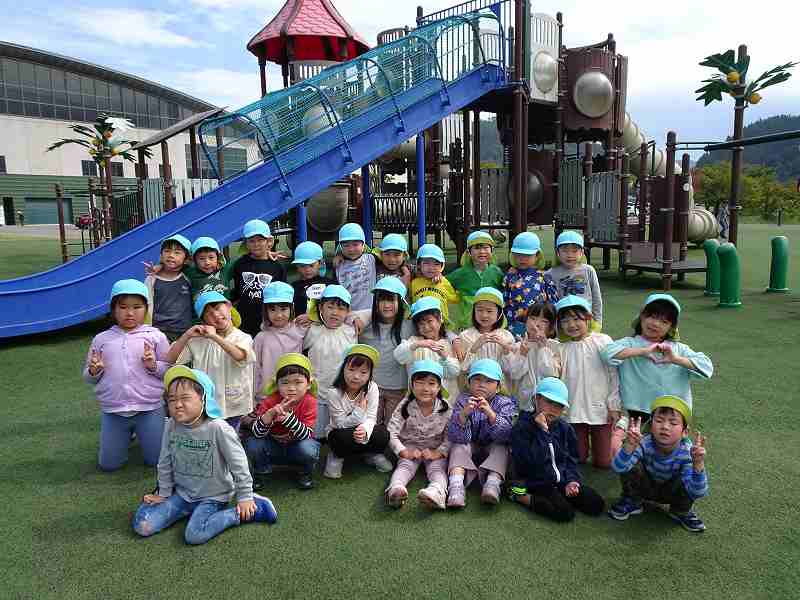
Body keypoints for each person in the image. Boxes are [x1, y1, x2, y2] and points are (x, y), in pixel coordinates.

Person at [132, 366, 277, 545]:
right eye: (172, 399)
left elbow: (239, 465)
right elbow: (165, 461)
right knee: (143, 526)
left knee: (194, 535)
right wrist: (163, 492)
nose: (177, 404)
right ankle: (180, 508)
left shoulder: (218, 428)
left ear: (204, 399)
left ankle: (254, 509)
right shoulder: (171, 425)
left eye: (185, 398)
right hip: (183, 493)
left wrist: (245, 496)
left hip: (213, 497)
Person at [601, 294, 713, 453]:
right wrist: (642, 351)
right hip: (636, 413)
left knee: (669, 455)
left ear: (671, 328)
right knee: (627, 452)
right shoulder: (630, 343)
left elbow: (707, 367)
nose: (655, 324)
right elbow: (606, 353)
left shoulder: (678, 348)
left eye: (664, 321)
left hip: (670, 416)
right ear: (642, 316)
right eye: (652, 317)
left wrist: (675, 359)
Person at [83, 279, 170, 471]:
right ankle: (128, 435)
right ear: (113, 309)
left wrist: (153, 366)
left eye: (137, 307)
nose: (130, 313)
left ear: (146, 309)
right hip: (114, 411)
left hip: (149, 408)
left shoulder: (156, 336)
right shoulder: (101, 339)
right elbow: (88, 377)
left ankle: (154, 429)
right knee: (108, 465)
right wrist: (94, 371)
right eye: (123, 307)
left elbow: (169, 371)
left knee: (156, 462)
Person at [509, 377, 605, 522]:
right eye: (549, 402)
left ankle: (561, 494)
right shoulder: (522, 428)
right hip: (536, 482)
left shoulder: (565, 428)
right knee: (565, 512)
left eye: (559, 405)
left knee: (595, 503)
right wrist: (543, 432)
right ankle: (519, 496)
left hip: (561, 481)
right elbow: (528, 463)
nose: (554, 409)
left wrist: (572, 481)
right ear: (536, 399)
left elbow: (572, 459)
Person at [608, 395, 708, 532]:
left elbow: (698, 492)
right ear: (651, 425)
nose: (665, 427)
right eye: (659, 421)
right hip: (645, 487)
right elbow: (618, 468)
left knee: (690, 475)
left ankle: (681, 510)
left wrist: (698, 464)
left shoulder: (687, 453)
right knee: (631, 459)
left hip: (672, 492)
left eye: (673, 423)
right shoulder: (644, 443)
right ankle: (632, 500)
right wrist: (629, 447)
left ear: (685, 432)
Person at [166, 291, 255, 430]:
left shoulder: (242, 337)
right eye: (208, 313)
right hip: (207, 405)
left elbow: (240, 355)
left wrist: (215, 337)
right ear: (204, 321)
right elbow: (171, 359)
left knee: (230, 438)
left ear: (229, 306)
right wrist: (187, 335)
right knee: (209, 438)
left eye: (218, 308)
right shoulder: (197, 340)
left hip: (234, 405)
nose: (215, 315)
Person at [554, 295, 621, 469]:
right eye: (565, 321)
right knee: (579, 458)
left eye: (576, 319)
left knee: (604, 462)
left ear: (588, 318)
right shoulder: (560, 348)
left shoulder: (602, 341)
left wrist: (614, 405)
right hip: (574, 409)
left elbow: (614, 374)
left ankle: (619, 433)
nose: (571, 325)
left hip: (601, 408)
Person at [242, 353, 320, 490]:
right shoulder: (270, 401)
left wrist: (288, 419)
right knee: (253, 444)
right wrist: (269, 415)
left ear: (308, 384)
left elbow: (306, 435)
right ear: (277, 385)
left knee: (309, 448)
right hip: (273, 446)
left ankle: (304, 471)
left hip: (297, 446)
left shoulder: (310, 401)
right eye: (285, 382)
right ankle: (261, 470)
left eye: (298, 382)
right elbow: (257, 433)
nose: (291, 388)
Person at [446, 359, 516, 507]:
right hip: (470, 443)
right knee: (458, 447)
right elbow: (454, 436)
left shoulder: (505, 402)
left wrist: (491, 415)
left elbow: (506, 436)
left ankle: (492, 483)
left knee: (501, 449)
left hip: (493, 444)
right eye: (477, 379)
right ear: (469, 382)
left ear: (498, 387)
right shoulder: (463, 399)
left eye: (489, 381)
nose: (482, 384)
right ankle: (456, 485)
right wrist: (463, 415)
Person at [303, 284, 370, 439]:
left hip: (342, 394)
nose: (335, 312)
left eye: (341, 308)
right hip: (317, 392)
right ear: (321, 307)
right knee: (317, 434)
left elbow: (371, 313)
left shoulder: (351, 331)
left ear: (348, 311)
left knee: (340, 431)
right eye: (330, 307)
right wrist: (309, 316)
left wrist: (354, 318)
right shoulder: (312, 330)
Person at [385, 360, 453, 510]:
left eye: (431, 383)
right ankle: (396, 489)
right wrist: (403, 451)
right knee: (404, 467)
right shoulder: (405, 405)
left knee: (437, 469)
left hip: (434, 448)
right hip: (410, 447)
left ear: (439, 387)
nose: (425, 388)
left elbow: (451, 436)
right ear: (412, 385)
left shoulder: (446, 408)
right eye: (420, 382)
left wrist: (439, 452)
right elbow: (391, 432)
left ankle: (437, 491)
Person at [324, 344, 392, 478]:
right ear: (343, 369)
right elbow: (340, 424)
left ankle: (371, 454)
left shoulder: (372, 388)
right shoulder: (333, 393)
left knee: (383, 434)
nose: (356, 376)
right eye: (351, 369)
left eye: (363, 372)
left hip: (362, 430)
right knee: (339, 438)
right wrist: (359, 411)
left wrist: (365, 430)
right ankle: (337, 456)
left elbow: (371, 417)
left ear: (370, 374)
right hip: (342, 432)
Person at [358, 277, 415, 425]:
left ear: (400, 302)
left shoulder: (409, 325)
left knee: (393, 427)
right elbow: (346, 318)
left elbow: (437, 327)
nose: (386, 305)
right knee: (370, 425)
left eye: (391, 300)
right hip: (371, 387)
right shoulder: (365, 325)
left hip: (398, 388)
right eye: (381, 300)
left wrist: (455, 339)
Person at [394, 296, 461, 401]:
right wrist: (418, 344)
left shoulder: (449, 343)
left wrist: (445, 357)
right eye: (421, 323)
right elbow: (399, 356)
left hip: (446, 402)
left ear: (440, 319)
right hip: (418, 401)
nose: (426, 327)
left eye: (430, 321)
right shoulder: (414, 341)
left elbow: (454, 372)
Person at [229, 219, 286, 337]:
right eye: (251, 241)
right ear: (246, 243)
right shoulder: (240, 264)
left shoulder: (277, 266)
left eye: (260, 240)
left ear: (269, 241)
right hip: (245, 321)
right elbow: (238, 290)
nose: (256, 244)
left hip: (269, 321)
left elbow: (283, 296)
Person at [253, 281, 309, 401]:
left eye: (283, 309)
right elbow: (255, 368)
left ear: (291, 308)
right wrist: (254, 397)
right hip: (267, 398)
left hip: (295, 396)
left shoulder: (300, 330)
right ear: (266, 311)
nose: (278, 315)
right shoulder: (261, 337)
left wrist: (311, 317)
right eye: (272, 309)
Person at [454, 287, 515, 390]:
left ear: (499, 313)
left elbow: (511, 370)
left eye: (489, 311)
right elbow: (463, 368)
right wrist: (474, 348)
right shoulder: (466, 336)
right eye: (479, 310)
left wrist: (506, 349)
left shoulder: (506, 336)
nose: (484, 315)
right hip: (473, 390)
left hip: (499, 390)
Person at [506, 302, 561, 413]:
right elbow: (515, 374)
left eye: (544, 321)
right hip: (523, 404)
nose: (537, 324)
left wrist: (543, 348)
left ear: (551, 327)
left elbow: (550, 374)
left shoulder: (555, 346)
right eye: (533, 318)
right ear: (526, 321)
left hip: (547, 404)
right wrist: (522, 354)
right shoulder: (517, 346)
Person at [503, 232, 559, 337]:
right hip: (513, 325)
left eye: (527, 255)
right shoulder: (510, 276)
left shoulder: (544, 277)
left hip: (539, 326)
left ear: (537, 255)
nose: (522, 259)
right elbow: (504, 300)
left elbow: (552, 303)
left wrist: (552, 326)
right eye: (518, 255)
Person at [446, 230, 504, 331]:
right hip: (467, 325)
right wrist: (436, 277)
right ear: (469, 252)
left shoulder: (497, 272)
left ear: (492, 250)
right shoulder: (461, 273)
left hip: (490, 325)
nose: (482, 251)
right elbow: (444, 284)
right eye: (477, 248)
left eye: (485, 247)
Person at [547, 231, 603, 324]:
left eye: (574, 251)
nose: (570, 255)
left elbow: (596, 298)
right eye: (565, 251)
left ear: (582, 253)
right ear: (557, 252)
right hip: (562, 321)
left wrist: (597, 321)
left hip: (585, 319)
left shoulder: (588, 270)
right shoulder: (550, 274)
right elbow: (549, 302)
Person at [144, 234, 193, 341]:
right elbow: (146, 306)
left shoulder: (189, 277)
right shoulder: (152, 279)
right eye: (167, 251)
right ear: (161, 256)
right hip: (159, 333)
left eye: (177, 252)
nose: (171, 255)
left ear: (186, 258)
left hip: (186, 332)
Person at [409, 243, 459, 326]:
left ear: (442, 266)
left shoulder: (444, 282)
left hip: (441, 326)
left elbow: (455, 299)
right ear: (419, 264)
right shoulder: (414, 283)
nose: (431, 267)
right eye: (426, 263)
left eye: (436, 264)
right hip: (420, 324)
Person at [334, 222, 377, 312]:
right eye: (346, 245)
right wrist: (338, 254)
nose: (351, 249)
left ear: (363, 244)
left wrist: (404, 266)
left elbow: (388, 256)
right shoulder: (338, 265)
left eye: (355, 244)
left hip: (370, 312)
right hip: (348, 313)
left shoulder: (371, 259)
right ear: (340, 247)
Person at [290, 241, 335, 317]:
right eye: (302, 266)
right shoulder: (294, 287)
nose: (307, 270)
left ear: (320, 263)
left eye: (311, 265)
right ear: (297, 266)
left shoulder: (329, 284)